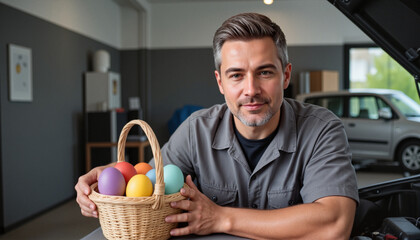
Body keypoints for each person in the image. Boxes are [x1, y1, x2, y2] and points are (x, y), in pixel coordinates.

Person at [75, 12, 359, 239]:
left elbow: (333, 226)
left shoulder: (323, 130)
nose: (251, 89)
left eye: (264, 72)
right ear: (220, 82)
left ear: (285, 76)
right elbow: (151, 191)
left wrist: (220, 217)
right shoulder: (195, 130)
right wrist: (115, 181)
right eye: (236, 75)